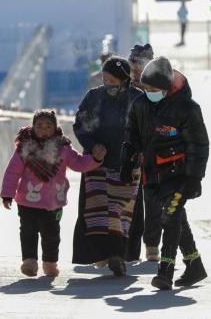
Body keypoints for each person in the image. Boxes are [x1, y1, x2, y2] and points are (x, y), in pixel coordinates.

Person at [120, 57, 209, 290]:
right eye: (146, 88)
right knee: (176, 218)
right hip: (152, 173)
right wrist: (126, 162)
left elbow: (199, 145)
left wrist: (194, 178)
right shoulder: (140, 105)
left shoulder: (187, 108)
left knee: (169, 217)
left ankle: (165, 272)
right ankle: (194, 265)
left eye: (154, 89)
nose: (149, 92)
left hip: (179, 174)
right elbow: (131, 136)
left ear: (166, 87)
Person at [1, 110, 106, 277]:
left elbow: (78, 163)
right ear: (33, 128)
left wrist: (95, 159)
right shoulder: (25, 148)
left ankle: (50, 263)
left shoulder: (64, 148)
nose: (44, 129)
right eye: (39, 126)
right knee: (28, 232)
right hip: (27, 202)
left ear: (56, 128)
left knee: (52, 235)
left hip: (54, 202)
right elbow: (13, 172)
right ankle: (29, 262)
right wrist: (7, 194)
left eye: (48, 126)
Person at [72, 56, 143, 276]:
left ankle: (118, 254)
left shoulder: (138, 99)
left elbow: (146, 129)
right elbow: (80, 125)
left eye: (112, 80)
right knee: (98, 212)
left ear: (124, 79)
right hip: (97, 165)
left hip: (127, 165)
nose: (107, 84)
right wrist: (92, 146)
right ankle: (108, 255)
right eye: (105, 79)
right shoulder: (93, 97)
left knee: (119, 211)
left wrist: (136, 150)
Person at [126, 43, 159, 263]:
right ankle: (131, 249)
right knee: (132, 203)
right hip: (131, 154)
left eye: (141, 63)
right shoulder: (123, 89)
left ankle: (152, 245)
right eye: (133, 63)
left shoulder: (160, 88)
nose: (137, 68)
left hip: (155, 154)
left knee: (154, 202)